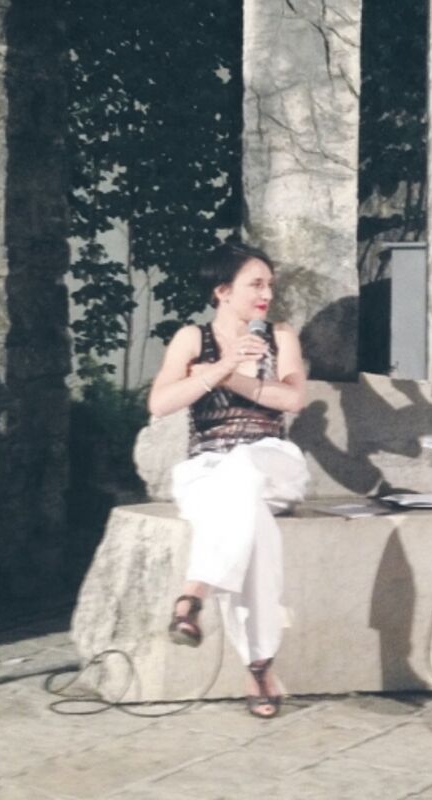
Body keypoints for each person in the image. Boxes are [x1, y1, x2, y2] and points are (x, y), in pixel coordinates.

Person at [147, 241, 309, 718]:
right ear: (222, 291)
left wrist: (232, 379)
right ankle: (259, 666)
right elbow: (159, 403)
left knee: (244, 465)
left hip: (272, 463)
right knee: (254, 525)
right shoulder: (192, 338)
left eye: (270, 285)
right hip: (207, 471)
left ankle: (194, 592)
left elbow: (293, 399)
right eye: (255, 285)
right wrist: (223, 363)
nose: (266, 295)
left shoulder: (280, 336)